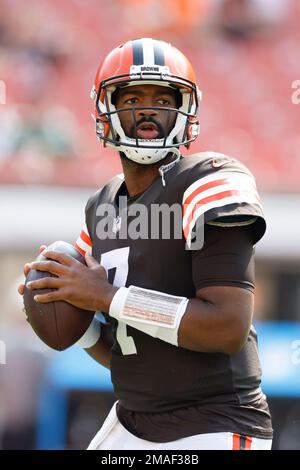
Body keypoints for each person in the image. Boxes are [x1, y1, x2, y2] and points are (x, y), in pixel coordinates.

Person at [18, 38, 273, 450]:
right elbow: (129, 354)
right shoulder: (100, 206)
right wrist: (65, 308)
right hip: (133, 421)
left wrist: (104, 296)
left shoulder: (211, 178)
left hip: (212, 423)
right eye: (132, 97)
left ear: (186, 109)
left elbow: (227, 326)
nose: (148, 109)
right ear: (107, 110)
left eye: (162, 97)